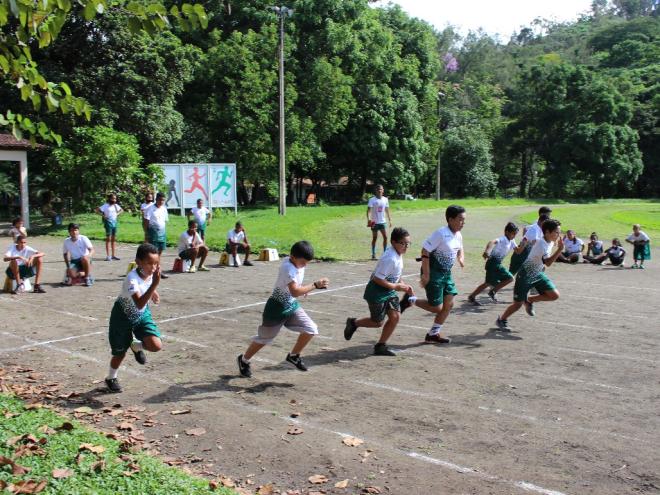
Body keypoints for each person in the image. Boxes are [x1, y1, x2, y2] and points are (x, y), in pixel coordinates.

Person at [237, 241, 329, 377]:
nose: (305, 265)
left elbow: (296, 287)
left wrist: (304, 289)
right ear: (292, 257)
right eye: (303, 262)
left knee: (311, 329)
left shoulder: (295, 261)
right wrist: (315, 285)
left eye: (306, 262)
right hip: (276, 307)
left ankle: (293, 356)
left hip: (291, 306)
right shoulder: (287, 267)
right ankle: (243, 360)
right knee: (264, 339)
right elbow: (294, 291)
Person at [398, 205, 466, 344]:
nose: (463, 223)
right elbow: (425, 251)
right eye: (460, 220)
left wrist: (461, 258)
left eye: (464, 220)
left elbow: (460, 248)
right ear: (450, 219)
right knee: (436, 307)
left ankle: (433, 334)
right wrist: (426, 274)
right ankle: (410, 300)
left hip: (446, 274)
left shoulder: (458, 235)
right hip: (433, 272)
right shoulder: (440, 233)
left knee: (449, 303)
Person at [344, 227, 414, 356]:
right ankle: (353, 323)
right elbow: (377, 278)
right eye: (403, 243)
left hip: (389, 290)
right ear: (393, 242)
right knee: (377, 322)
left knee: (395, 317)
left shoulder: (398, 254)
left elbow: (396, 275)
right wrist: (396, 287)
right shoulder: (390, 258)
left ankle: (380, 346)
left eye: (408, 243)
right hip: (376, 292)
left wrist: (404, 286)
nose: (406, 246)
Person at [105, 243, 163, 393]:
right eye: (149, 263)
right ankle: (111, 377)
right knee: (119, 353)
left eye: (156, 263)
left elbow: (147, 286)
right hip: (122, 317)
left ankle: (136, 345)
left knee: (156, 345)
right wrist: (155, 286)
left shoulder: (150, 273)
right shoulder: (131, 279)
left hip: (142, 315)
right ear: (138, 262)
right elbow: (138, 303)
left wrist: (153, 291)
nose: (153, 267)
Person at [496, 219, 563, 331]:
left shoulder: (550, 242)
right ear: (547, 232)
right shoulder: (542, 244)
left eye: (559, 232)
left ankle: (529, 300)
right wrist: (560, 250)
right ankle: (501, 319)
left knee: (554, 295)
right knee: (517, 304)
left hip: (537, 273)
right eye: (556, 232)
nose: (558, 235)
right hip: (525, 274)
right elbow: (548, 263)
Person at [468, 222, 526, 305]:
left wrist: (523, 243)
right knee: (505, 279)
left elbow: (518, 251)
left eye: (515, 234)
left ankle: (477, 295)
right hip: (492, 263)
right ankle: (489, 292)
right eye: (513, 233)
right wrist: (487, 251)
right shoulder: (502, 239)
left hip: (497, 264)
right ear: (506, 232)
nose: (514, 236)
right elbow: (492, 242)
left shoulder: (512, 241)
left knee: (490, 282)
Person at [509, 207, 552, 275]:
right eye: (548, 215)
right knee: (511, 274)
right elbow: (534, 242)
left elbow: (526, 229)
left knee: (534, 272)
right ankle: (494, 284)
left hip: (529, 253)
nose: (550, 217)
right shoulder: (534, 228)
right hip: (523, 253)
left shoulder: (540, 227)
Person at [144, 192, 169, 278]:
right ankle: (148, 270)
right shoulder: (150, 208)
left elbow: (165, 221)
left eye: (163, 200)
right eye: (160, 200)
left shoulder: (164, 209)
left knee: (160, 252)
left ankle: (157, 270)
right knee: (153, 252)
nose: (161, 202)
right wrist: (146, 233)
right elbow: (146, 221)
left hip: (162, 232)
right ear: (156, 199)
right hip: (153, 232)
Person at [367, 184, 392, 260]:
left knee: (386, 237)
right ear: (376, 191)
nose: (380, 191)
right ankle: (373, 254)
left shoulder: (385, 199)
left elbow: (387, 210)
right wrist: (368, 219)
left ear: (383, 190)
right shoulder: (372, 200)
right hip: (374, 222)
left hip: (382, 222)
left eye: (381, 189)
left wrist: (390, 220)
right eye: (378, 189)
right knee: (375, 238)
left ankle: (384, 253)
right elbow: (368, 211)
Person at [96, 193, 123, 261]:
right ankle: (108, 256)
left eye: (115, 198)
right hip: (108, 223)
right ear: (109, 199)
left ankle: (113, 255)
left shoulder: (116, 205)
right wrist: (103, 215)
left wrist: (117, 214)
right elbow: (97, 210)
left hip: (114, 223)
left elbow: (122, 210)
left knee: (113, 239)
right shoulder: (105, 206)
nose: (114, 200)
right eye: (113, 198)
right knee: (108, 239)